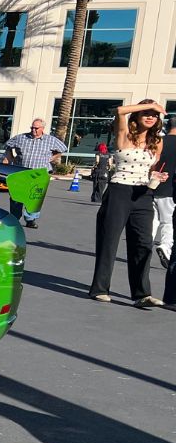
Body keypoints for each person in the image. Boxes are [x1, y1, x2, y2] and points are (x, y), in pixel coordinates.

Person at [89, 100, 167, 307]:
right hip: (119, 191)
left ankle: (142, 294)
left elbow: (151, 168)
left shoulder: (157, 141)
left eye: (154, 115)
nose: (151, 117)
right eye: (146, 113)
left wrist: (157, 175)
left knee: (143, 244)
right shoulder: (124, 134)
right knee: (109, 241)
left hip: (144, 194)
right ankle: (99, 289)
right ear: (137, 116)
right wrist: (154, 106)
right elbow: (119, 111)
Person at [4, 118, 67, 228]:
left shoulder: (51, 140)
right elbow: (7, 147)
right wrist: (11, 159)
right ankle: (14, 218)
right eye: (32, 127)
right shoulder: (21, 138)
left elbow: (63, 149)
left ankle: (30, 219)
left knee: (34, 197)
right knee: (16, 197)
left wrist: (51, 158)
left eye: (36, 128)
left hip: (39, 175)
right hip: (21, 173)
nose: (33, 130)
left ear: (42, 128)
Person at [151, 115, 176, 269]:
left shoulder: (159, 141)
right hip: (171, 190)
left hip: (153, 186)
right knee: (168, 222)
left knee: (152, 221)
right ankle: (166, 246)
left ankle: (144, 246)